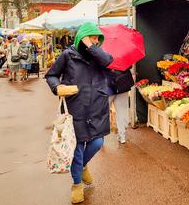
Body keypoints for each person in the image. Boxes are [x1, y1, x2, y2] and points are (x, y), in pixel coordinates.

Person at [45, 22, 113, 204]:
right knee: (76, 149)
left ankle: (82, 166)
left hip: (97, 107)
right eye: (92, 37)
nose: (96, 41)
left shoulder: (99, 56)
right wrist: (57, 87)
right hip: (75, 109)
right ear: (82, 37)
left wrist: (91, 46)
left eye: (98, 38)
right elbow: (51, 75)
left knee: (97, 142)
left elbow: (108, 61)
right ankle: (76, 184)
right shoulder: (68, 55)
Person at [107, 68, 134, 144]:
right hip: (122, 83)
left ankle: (100, 137)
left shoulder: (103, 56)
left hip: (107, 86)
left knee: (104, 113)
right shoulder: (123, 56)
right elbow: (129, 65)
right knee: (122, 112)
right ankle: (122, 136)